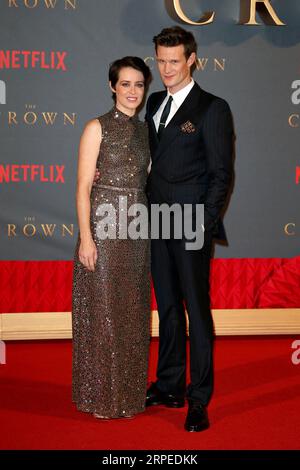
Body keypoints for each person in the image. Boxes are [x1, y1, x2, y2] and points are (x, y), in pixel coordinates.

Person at [145, 26, 234, 432]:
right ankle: (169, 385)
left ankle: (198, 398)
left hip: (190, 223)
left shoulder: (213, 108)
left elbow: (221, 174)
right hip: (155, 221)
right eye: (161, 61)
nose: (166, 69)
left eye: (174, 61)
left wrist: (204, 222)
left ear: (192, 59)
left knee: (196, 311)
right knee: (166, 307)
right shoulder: (154, 101)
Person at [72, 56, 152, 419]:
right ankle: (101, 397)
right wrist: (86, 239)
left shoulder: (147, 131)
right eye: (125, 84)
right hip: (103, 231)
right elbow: (83, 187)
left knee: (132, 314)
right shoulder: (96, 127)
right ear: (112, 86)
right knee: (102, 313)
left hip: (137, 231)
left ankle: (130, 397)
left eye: (138, 84)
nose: (132, 91)